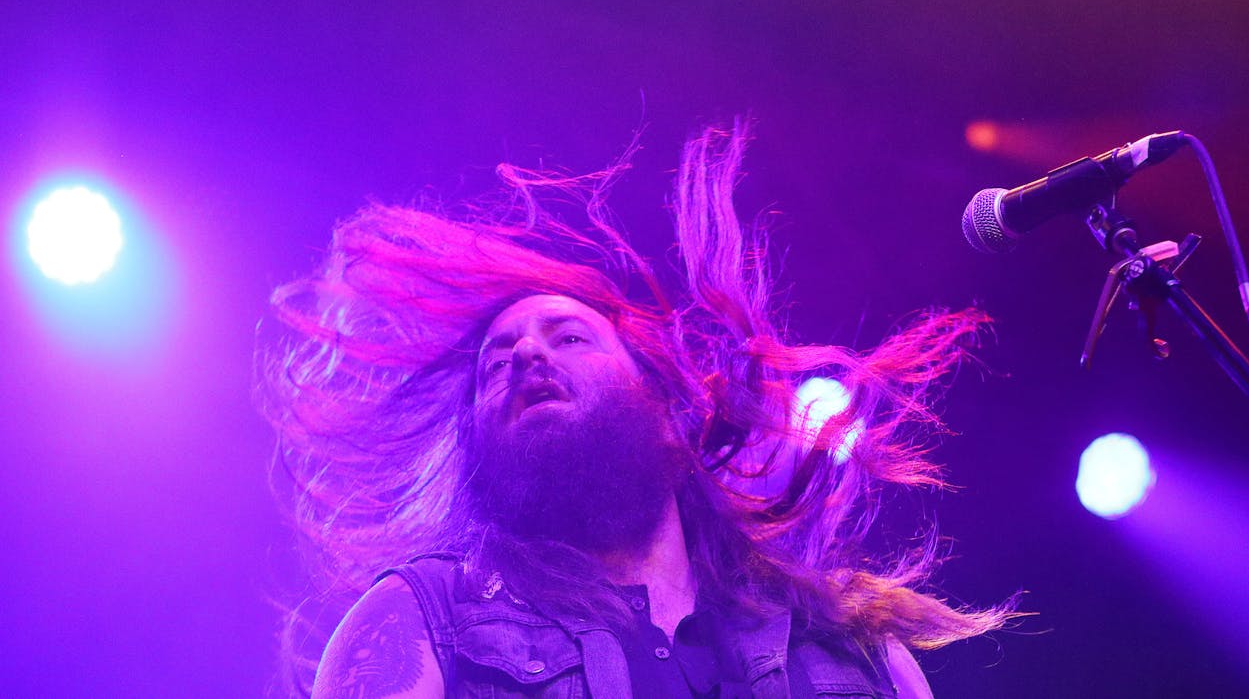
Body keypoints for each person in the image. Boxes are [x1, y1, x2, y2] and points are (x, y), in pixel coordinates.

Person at [261, 122, 1013, 697]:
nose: (526, 355)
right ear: (476, 451)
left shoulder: (846, 641)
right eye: (497, 361)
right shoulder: (427, 617)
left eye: (569, 336)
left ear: (666, 412)